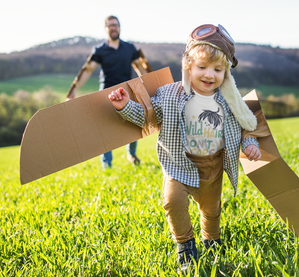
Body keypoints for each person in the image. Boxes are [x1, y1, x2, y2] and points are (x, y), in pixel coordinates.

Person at [108, 24, 261, 272]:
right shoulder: (170, 95)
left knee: (211, 210)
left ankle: (212, 242)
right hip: (179, 164)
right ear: (188, 67)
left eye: (218, 70)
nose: (209, 74)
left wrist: (250, 144)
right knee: (172, 201)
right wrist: (124, 106)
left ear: (226, 74)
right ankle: (186, 246)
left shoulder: (229, 101)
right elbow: (148, 118)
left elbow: (246, 127)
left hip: (212, 168)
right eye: (202, 67)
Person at [66, 15, 148, 169]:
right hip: (106, 94)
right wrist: (74, 89)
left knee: (133, 124)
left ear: (119, 27)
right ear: (105, 29)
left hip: (127, 92)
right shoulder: (100, 50)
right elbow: (88, 69)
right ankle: (107, 164)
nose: (113, 28)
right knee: (104, 130)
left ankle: (131, 154)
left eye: (115, 25)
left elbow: (140, 67)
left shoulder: (129, 48)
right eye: (110, 25)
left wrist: (150, 83)